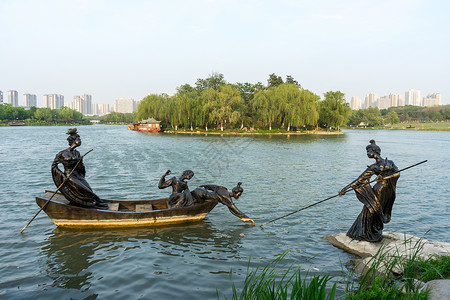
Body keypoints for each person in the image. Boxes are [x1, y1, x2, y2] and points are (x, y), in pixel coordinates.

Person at [339, 140, 399, 242]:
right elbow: (360, 179)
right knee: (371, 209)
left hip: (388, 190)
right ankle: (364, 233)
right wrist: (345, 188)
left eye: (368, 151)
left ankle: (373, 231)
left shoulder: (390, 162)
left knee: (379, 209)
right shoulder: (373, 167)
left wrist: (385, 178)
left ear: (375, 151)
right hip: (378, 189)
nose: (367, 154)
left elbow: (397, 173)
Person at [51, 128, 107, 208]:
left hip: (77, 175)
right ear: (72, 141)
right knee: (86, 190)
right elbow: (54, 166)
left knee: (88, 189)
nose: (79, 142)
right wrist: (62, 176)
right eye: (78, 140)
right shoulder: (62, 153)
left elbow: (80, 166)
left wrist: (80, 162)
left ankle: (93, 202)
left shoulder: (77, 153)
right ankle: (94, 202)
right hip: (69, 175)